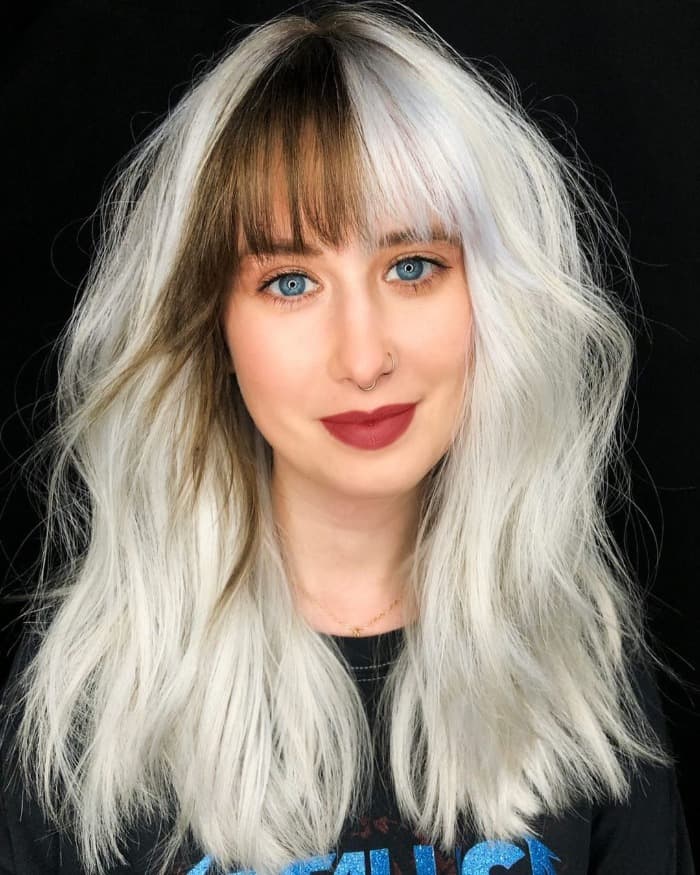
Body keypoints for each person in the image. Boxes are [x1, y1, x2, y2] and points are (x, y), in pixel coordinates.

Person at [0, 1, 694, 873]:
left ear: (494, 297)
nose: (364, 358)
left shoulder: (577, 652)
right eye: (291, 281)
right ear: (211, 324)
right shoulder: (96, 682)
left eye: (413, 267)